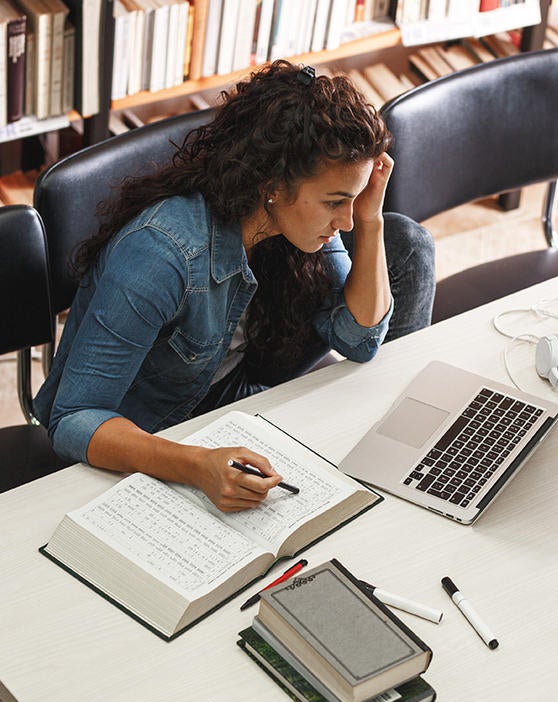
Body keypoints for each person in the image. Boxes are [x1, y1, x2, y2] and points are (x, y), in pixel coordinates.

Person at [34, 60, 435, 511]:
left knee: (407, 243)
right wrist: (198, 465)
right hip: (158, 427)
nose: (343, 221)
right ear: (273, 185)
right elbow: (72, 420)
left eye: (354, 199)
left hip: (234, 389)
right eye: (335, 202)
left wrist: (369, 217)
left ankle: (404, 459)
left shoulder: (298, 225)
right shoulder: (160, 253)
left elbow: (359, 340)